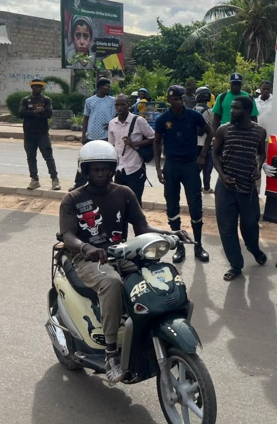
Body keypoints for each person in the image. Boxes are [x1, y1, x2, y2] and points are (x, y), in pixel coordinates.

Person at [59, 140, 191, 383]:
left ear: (113, 168)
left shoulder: (124, 192)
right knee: (112, 283)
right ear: (85, 170)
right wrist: (88, 247)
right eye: (94, 169)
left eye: (105, 168)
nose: (100, 173)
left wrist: (170, 233)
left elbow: (142, 226)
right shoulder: (73, 198)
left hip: (122, 253)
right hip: (87, 258)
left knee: (158, 275)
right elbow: (67, 235)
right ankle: (111, 354)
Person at [154, 85, 214, 263]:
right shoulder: (163, 119)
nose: (178, 102)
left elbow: (211, 133)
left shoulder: (194, 116)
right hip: (171, 165)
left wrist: (203, 155)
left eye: (180, 99)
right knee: (172, 206)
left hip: (190, 165)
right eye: (175, 99)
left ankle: (198, 245)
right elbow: (156, 143)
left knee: (195, 205)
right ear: (169, 100)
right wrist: (158, 168)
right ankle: (179, 246)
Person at [212, 95, 268, 281]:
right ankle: (236, 265)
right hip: (226, 187)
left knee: (250, 225)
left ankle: (254, 248)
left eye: (235, 108)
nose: (231, 111)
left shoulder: (259, 132)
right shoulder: (223, 130)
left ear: (246, 111)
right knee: (227, 228)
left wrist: (257, 167)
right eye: (232, 108)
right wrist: (222, 175)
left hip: (247, 188)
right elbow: (215, 154)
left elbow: (261, 153)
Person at [108, 94, 154, 203]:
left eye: (122, 104)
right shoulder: (112, 123)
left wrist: (134, 143)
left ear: (128, 105)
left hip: (135, 167)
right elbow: (111, 146)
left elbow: (153, 137)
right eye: (117, 105)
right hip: (119, 169)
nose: (119, 107)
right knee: (119, 203)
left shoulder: (138, 121)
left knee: (135, 203)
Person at [72, 78, 116, 190]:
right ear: (100, 87)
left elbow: (118, 115)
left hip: (106, 136)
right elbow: (86, 118)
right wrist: (83, 135)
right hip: (92, 135)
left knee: (106, 160)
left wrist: (111, 124)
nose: (109, 89)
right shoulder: (90, 101)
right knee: (85, 159)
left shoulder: (112, 100)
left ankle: (108, 184)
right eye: (106, 86)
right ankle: (79, 184)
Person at [19, 78, 60, 191]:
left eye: (39, 86)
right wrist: (36, 112)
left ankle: (55, 180)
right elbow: (21, 113)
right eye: (35, 86)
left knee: (48, 157)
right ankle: (34, 180)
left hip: (42, 133)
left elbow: (48, 114)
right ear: (31, 87)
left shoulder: (46, 100)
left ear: (42, 88)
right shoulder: (25, 100)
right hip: (29, 134)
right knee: (31, 158)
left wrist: (32, 114)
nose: (37, 88)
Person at [194, 86, 215, 193]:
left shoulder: (191, 110)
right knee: (207, 168)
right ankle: (206, 188)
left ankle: (195, 186)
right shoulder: (211, 112)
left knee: (195, 168)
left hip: (194, 144)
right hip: (207, 144)